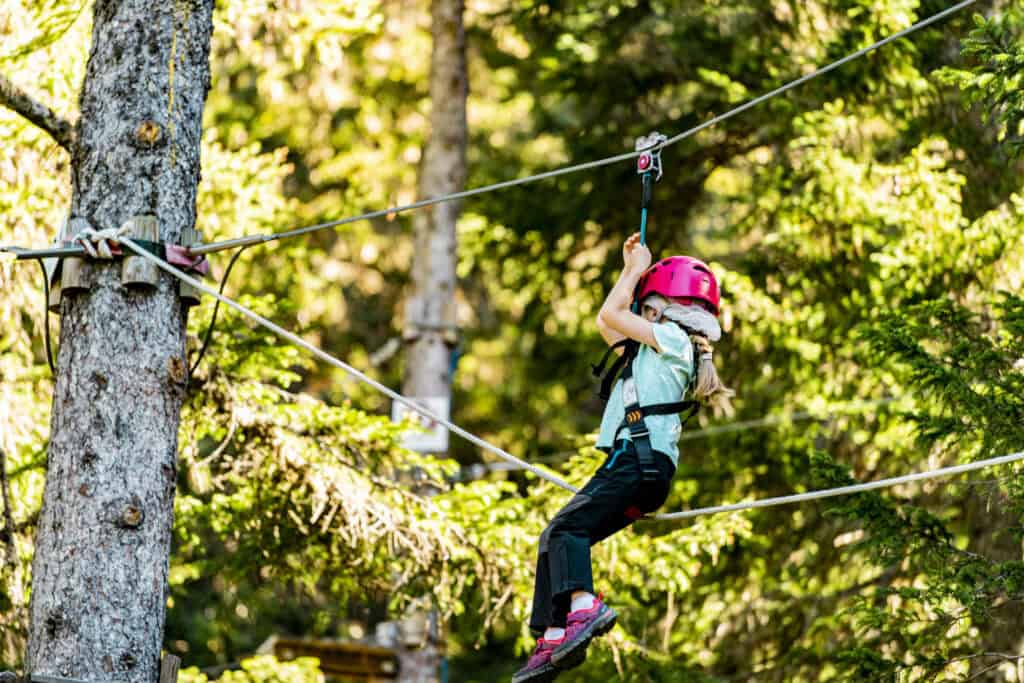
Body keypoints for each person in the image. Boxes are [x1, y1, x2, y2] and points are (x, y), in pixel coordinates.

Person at [512, 233, 733, 683]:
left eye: (645, 303)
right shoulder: (652, 350)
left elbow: (613, 314)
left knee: (570, 528)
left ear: (661, 307)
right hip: (641, 469)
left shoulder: (673, 339)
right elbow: (607, 322)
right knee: (557, 535)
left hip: (637, 460)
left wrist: (635, 272)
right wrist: (629, 270)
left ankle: (583, 606)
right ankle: (553, 633)